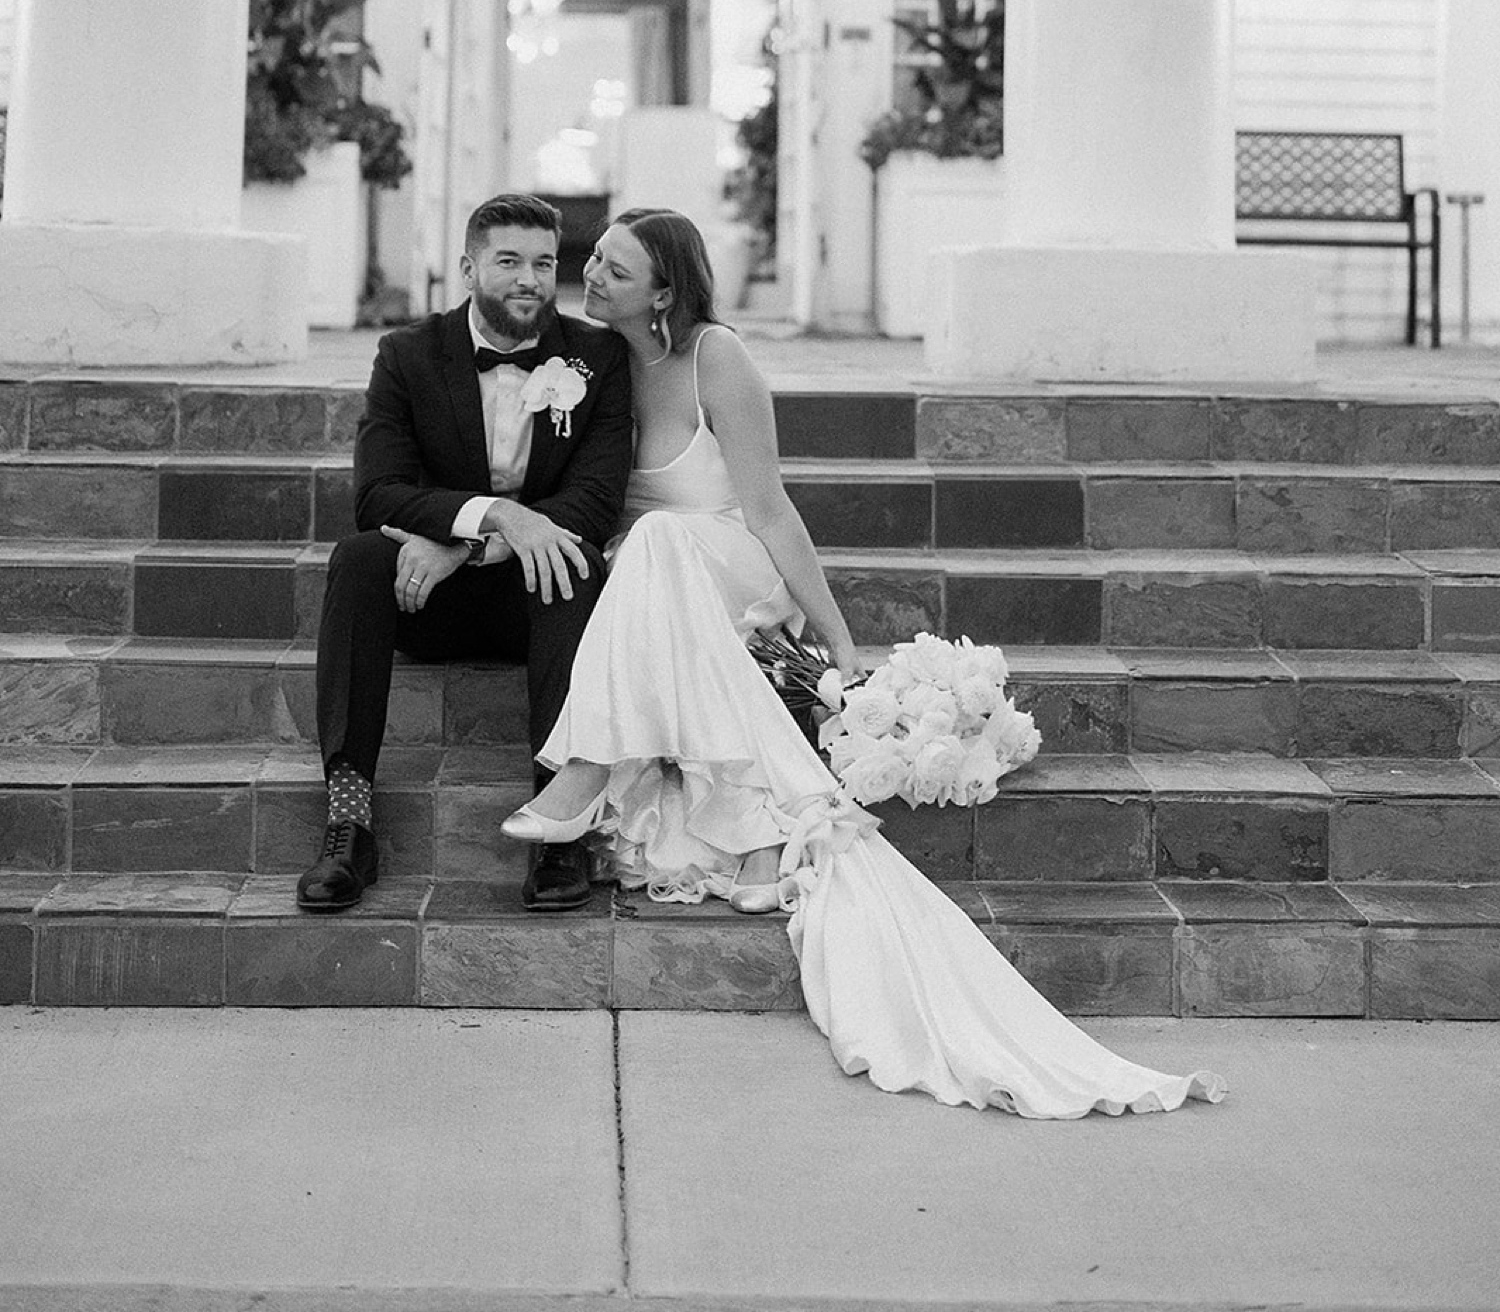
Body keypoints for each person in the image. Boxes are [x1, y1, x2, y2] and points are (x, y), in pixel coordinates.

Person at [503, 207, 1227, 1120]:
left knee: (655, 542)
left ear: (665, 289)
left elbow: (769, 509)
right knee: (645, 547)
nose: (590, 274)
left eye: (613, 266)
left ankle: (590, 766)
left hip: (733, 565)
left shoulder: (715, 357)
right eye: (594, 260)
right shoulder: (595, 364)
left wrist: (834, 635)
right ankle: (751, 829)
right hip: (659, 583)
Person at [297, 193, 633, 917]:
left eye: (544, 262)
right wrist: (492, 518)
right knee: (358, 558)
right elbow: (378, 493)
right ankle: (349, 819)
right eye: (509, 260)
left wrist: (472, 547)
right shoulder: (409, 353)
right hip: (428, 601)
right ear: (468, 266)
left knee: (577, 562)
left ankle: (559, 822)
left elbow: (595, 502)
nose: (530, 279)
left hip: (534, 599)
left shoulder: (597, 357)